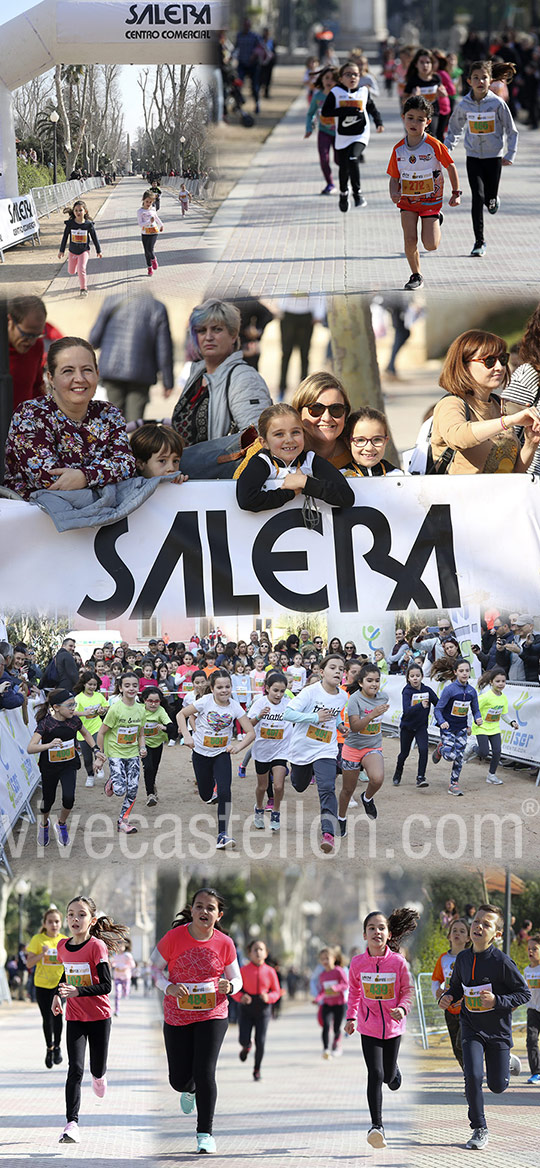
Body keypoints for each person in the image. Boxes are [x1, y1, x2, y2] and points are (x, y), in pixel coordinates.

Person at [151, 887, 242, 1154]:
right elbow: (153, 968)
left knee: (205, 1071)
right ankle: (187, 1089)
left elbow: (237, 978)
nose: (204, 911)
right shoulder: (173, 938)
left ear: (218, 914)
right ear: (192, 910)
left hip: (212, 1014)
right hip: (178, 1014)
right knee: (179, 1080)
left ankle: (205, 1133)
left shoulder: (224, 943)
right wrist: (167, 986)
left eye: (210, 908)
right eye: (199, 906)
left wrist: (231, 988)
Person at [439, 903, 531, 1150]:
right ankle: (479, 1127)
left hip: (498, 1031)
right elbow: (456, 988)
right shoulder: (463, 958)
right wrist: (446, 997)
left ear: (497, 934)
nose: (478, 926)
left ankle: (507, 1061)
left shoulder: (501, 962)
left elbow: (523, 993)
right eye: (476, 921)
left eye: (486, 924)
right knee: (473, 1076)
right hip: (471, 1027)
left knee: (497, 1086)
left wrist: (498, 1001)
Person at [4, 337, 136, 500]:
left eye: (87, 370)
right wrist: (104, 473)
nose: (79, 378)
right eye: (68, 371)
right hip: (36, 516)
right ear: (51, 378)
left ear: (97, 374)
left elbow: (127, 465)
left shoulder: (108, 413)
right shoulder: (30, 414)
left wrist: (84, 476)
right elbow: (50, 480)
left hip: (101, 514)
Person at [54, 895, 129, 1144]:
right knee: (75, 1069)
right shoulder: (62, 946)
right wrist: (58, 994)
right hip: (75, 1016)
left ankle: (99, 1076)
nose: (75, 919)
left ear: (92, 919)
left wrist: (78, 991)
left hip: (99, 1016)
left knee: (95, 1069)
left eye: (82, 914)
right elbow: (68, 973)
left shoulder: (97, 947)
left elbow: (106, 985)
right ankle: (71, 1124)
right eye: (71, 914)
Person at [172, 300, 272, 478]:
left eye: (217, 329)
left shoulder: (244, 378)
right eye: (201, 331)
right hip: (188, 481)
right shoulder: (196, 375)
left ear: (234, 335)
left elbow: (259, 439)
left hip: (220, 486)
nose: (208, 337)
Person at [345, 908, 418, 1148]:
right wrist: (351, 1018)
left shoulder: (398, 962)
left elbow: (408, 991)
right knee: (375, 1074)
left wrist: (403, 1009)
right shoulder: (357, 963)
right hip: (369, 1026)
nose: (377, 932)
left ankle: (394, 1072)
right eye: (371, 928)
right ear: (364, 934)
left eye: (381, 928)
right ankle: (377, 1127)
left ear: (389, 934)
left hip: (394, 1026)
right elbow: (355, 992)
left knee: (388, 1076)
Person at [430, 329, 540, 474]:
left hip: (499, 495)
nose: (499, 367)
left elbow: (513, 474)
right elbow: (458, 437)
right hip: (460, 495)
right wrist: (508, 421)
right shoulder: (451, 404)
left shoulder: (501, 405)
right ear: (464, 365)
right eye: (489, 361)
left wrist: (530, 444)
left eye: (502, 359)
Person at [387, 95, 462, 291]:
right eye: (410, 117)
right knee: (410, 239)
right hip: (407, 202)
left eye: (420, 119)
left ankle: (437, 218)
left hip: (430, 202)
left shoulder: (434, 145)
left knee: (430, 245)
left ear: (427, 122)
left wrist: (456, 192)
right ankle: (415, 274)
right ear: (403, 117)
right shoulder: (398, 150)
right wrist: (394, 192)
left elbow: (451, 166)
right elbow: (394, 178)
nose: (414, 123)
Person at [444, 59, 518, 257]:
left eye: (483, 77)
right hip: (473, 157)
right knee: (477, 197)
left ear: (490, 80)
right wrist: (447, 149)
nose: (480, 81)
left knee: (489, 199)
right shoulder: (464, 105)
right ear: (469, 81)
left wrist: (510, 153)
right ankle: (479, 241)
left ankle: (493, 199)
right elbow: (454, 129)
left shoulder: (497, 104)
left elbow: (511, 130)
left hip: (494, 157)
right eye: (475, 78)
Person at [177, 669, 255, 849]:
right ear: (212, 688)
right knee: (205, 795)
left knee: (225, 792)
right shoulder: (204, 702)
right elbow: (181, 714)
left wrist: (237, 747)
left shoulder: (235, 707)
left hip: (221, 754)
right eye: (219, 687)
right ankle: (210, 787)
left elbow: (251, 732)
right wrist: (187, 736)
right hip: (201, 754)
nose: (224, 690)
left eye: (227, 686)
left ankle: (222, 834)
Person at [236, 403, 354, 513]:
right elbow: (246, 500)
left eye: (295, 432)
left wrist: (305, 483)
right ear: (264, 442)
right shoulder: (262, 462)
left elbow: (347, 497)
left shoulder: (310, 460)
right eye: (279, 434)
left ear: (304, 434)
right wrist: (290, 493)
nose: (289, 440)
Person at [284, 654, 348, 854]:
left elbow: (335, 714)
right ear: (322, 672)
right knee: (299, 786)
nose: (338, 671)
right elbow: (288, 714)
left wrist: (340, 725)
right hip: (302, 748)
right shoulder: (310, 692)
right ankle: (307, 771)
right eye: (333, 667)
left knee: (328, 787)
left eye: (341, 669)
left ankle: (328, 833)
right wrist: (314, 716)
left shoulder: (343, 695)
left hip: (325, 748)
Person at [28, 689, 105, 848]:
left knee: (69, 798)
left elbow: (86, 734)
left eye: (74, 705)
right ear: (56, 707)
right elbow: (30, 748)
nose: (73, 708)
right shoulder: (46, 723)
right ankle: (44, 824)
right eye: (69, 705)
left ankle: (61, 824)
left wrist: (96, 749)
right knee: (48, 801)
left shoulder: (74, 721)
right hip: (49, 767)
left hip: (69, 764)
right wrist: (49, 745)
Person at [321, 60, 384, 212]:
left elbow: (372, 108)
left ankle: (357, 193)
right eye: (348, 74)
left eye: (355, 74)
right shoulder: (336, 92)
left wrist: (379, 122)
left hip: (360, 134)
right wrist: (346, 111)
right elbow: (326, 112)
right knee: (343, 167)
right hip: (342, 135)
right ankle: (344, 193)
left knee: (353, 158)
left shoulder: (363, 92)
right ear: (341, 78)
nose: (352, 77)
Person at [338, 662, 389, 831]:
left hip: (372, 746)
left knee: (377, 778)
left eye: (377, 680)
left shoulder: (383, 698)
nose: (374, 684)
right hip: (353, 747)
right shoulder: (354, 699)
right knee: (347, 789)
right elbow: (355, 727)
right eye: (369, 680)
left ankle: (367, 798)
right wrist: (373, 714)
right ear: (361, 683)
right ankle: (341, 818)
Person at [96, 671, 147, 836]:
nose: (131, 689)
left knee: (132, 789)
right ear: (120, 688)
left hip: (132, 753)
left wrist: (142, 747)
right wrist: (100, 755)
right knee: (119, 790)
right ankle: (112, 781)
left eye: (134, 685)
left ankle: (123, 821)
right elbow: (102, 733)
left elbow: (140, 733)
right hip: (116, 753)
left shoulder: (141, 708)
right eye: (127, 685)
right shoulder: (115, 709)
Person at [248, 671, 292, 833]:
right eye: (275, 690)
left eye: (282, 691)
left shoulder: (288, 704)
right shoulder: (259, 703)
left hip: (281, 751)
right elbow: (249, 724)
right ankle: (259, 808)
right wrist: (259, 717)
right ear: (267, 688)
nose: (278, 694)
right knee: (262, 786)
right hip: (262, 751)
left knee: (279, 786)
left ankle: (276, 812)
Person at [25, 907, 68, 1067]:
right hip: (42, 984)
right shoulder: (38, 939)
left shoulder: (64, 941)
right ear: (45, 923)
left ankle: (57, 1047)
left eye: (57, 921)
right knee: (47, 1019)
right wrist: (42, 954)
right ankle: (49, 1048)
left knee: (58, 1016)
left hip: (59, 984)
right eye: (50, 922)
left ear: (61, 923)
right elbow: (29, 963)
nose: (54, 924)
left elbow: (70, 963)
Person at [432, 659, 483, 795]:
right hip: (448, 727)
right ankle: (441, 748)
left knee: (459, 757)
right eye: (461, 671)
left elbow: (475, 709)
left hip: (461, 728)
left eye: (467, 671)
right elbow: (438, 709)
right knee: (449, 756)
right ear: (455, 672)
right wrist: (442, 721)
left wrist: (478, 718)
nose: (464, 673)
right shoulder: (449, 690)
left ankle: (454, 783)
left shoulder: (472, 691)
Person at [233, 939, 281, 1079]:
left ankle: (257, 1069)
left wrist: (269, 997)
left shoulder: (271, 971)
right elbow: (235, 990)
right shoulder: (242, 971)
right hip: (247, 1007)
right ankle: (246, 1046)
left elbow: (276, 992)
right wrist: (241, 997)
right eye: (255, 949)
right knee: (243, 1038)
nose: (258, 952)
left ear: (266, 954)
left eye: (261, 949)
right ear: (249, 953)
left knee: (260, 1041)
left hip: (263, 1008)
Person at [462, 668, 518, 783]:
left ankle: (491, 775)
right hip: (481, 727)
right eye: (498, 681)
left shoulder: (503, 698)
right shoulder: (485, 696)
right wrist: (470, 723)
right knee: (484, 752)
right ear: (491, 682)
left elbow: (503, 714)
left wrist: (512, 722)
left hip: (494, 728)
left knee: (497, 751)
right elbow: (472, 709)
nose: (501, 684)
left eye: (503, 681)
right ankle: (472, 747)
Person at [431, 917, 470, 1071]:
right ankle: (469, 1076)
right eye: (454, 930)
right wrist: (438, 993)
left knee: (463, 1042)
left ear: (468, 938)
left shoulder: (472, 957)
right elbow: (436, 980)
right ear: (449, 936)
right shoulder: (444, 959)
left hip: (468, 1009)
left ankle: (474, 1073)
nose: (457, 934)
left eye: (462, 931)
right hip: (450, 1008)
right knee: (456, 1047)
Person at [391, 663, 438, 788]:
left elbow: (438, 703)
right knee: (404, 753)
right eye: (412, 676)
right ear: (408, 678)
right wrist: (419, 705)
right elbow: (407, 711)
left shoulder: (427, 690)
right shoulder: (407, 691)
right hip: (407, 727)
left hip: (421, 727)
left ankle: (420, 777)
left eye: (417, 675)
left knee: (423, 750)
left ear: (422, 676)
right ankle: (398, 772)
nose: (415, 678)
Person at [403, 48, 455, 140]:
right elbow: (404, 101)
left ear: (432, 64)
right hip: (419, 115)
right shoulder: (413, 80)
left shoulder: (436, 78)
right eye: (422, 62)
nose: (425, 65)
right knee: (425, 137)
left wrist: (444, 94)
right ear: (416, 64)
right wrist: (413, 96)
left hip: (435, 112)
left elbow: (444, 92)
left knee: (436, 136)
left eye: (428, 62)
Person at [7, 295, 47, 411]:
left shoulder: (37, 346)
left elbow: (37, 388)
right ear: (10, 321)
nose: (31, 342)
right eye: (27, 335)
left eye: (37, 335)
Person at [304, 66, 338, 195]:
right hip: (324, 131)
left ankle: (347, 179)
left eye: (333, 79)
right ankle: (330, 184)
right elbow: (310, 113)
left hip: (339, 134)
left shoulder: (340, 96)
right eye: (327, 78)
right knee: (324, 158)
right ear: (322, 79)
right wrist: (309, 128)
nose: (329, 81)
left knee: (339, 160)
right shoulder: (318, 97)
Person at [140, 686, 176, 806]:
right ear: (144, 700)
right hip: (143, 743)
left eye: (156, 701)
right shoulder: (139, 710)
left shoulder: (161, 710)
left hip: (157, 743)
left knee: (154, 768)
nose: (153, 704)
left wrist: (164, 727)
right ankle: (150, 794)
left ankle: (152, 785)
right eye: (150, 701)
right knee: (148, 767)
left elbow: (171, 727)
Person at [57, 200, 102, 296]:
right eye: (76, 210)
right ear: (73, 212)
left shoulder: (88, 225)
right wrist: (61, 251)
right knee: (71, 271)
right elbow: (65, 237)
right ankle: (78, 267)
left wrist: (99, 251)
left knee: (81, 268)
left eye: (80, 210)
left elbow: (94, 238)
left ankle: (83, 289)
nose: (78, 212)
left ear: (85, 211)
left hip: (84, 251)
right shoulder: (70, 224)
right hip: (72, 252)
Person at [342, 407, 401, 476]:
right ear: (348, 442)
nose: (369, 448)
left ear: (385, 441)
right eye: (360, 440)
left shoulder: (398, 476)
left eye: (377, 439)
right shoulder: (340, 477)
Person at [73, 672, 108, 787]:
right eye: (90, 684)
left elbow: (106, 706)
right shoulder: (78, 698)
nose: (92, 687)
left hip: (97, 726)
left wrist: (103, 710)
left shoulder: (99, 696)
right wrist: (84, 713)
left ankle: (100, 766)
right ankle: (90, 775)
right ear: (84, 684)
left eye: (94, 685)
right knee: (87, 757)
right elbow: (72, 712)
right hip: (83, 731)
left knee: (98, 749)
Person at [314, 946, 348, 1059]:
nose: (325, 961)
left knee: (337, 1028)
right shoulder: (322, 975)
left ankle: (336, 1046)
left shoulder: (338, 971)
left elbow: (345, 984)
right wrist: (318, 999)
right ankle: (325, 1049)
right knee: (326, 1025)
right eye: (322, 959)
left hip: (339, 1004)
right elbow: (323, 990)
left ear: (333, 958)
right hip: (327, 1004)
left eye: (327, 958)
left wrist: (336, 988)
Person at [524, 934, 540, 1084]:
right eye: (529, 949)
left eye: (534, 949)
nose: (531, 951)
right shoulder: (526, 971)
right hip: (533, 1011)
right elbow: (523, 992)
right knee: (531, 1040)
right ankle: (536, 1072)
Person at [137, 191, 164, 276]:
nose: (148, 204)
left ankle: (153, 259)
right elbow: (140, 224)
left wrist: (161, 225)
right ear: (143, 200)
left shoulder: (153, 209)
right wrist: (148, 222)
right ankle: (149, 268)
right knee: (146, 251)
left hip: (153, 232)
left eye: (150, 202)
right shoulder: (140, 211)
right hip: (145, 232)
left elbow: (156, 218)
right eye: (147, 201)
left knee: (150, 249)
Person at [110, 942, 136, 1016]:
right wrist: (116, 966)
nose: (120, 948)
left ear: (125, 947)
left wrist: (124, 967)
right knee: (117, 993)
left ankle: (126, 992)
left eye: (121, 946)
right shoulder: (115, 956)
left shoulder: (127, 955)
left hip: (126, 977)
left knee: (126, 992)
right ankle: (117, 1010)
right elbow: (112, 964)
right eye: (118, 947)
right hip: (117, 976)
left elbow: (132, 965)